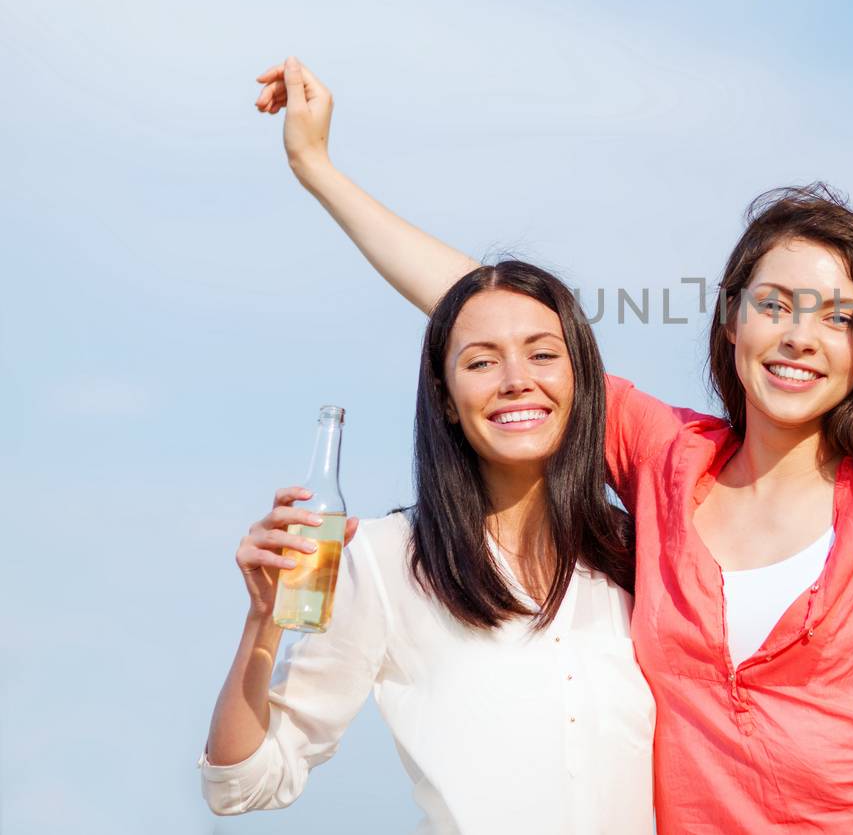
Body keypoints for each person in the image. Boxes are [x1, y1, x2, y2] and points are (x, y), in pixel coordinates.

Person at [246, 58, 853, 830]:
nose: (801, 336)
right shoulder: (667, 457)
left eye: (837, 315)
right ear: (731, 320)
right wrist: (318, 168)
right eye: (775, 304)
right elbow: (488, 311)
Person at [201, 261, 654, 832]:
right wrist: (264, 619)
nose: (516, 378)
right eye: (481, 361)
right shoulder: (385, 559)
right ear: (444, 397)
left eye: (542, 354)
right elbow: (243, 784)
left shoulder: (638, 552)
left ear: (582, 379)